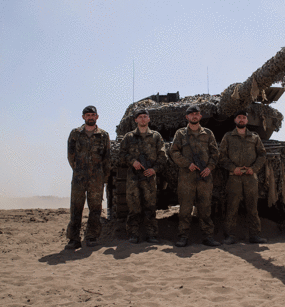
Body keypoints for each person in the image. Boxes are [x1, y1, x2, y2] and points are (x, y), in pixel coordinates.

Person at [169, 105, 220, 247]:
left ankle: (208, 237)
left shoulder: (208, 133)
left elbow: (215, 153)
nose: (194, 116)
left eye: (197, 114)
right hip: (187, 177)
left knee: (205, 209)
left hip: (205, 177)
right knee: (185, 209)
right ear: (187, 117)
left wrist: (210, 168)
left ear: (200, 116)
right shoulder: (180, 134)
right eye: (191, 114)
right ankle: (183, 236)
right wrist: (187, 164)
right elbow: (174, 152)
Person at [65, 105, 111, 250]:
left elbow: (107, 158)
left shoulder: (103, 135)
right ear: (83, 117)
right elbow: (70, 155)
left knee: (95, 208)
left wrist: (103, 176)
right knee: (76, 208)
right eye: (87, 115)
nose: (90, 117)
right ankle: (74, 239)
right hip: (79, 177)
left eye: (93, 115)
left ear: (97, 117)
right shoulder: (75, 134)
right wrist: (79, 169)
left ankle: (91, 237)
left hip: (96, 178)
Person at [218, 110, 267, 244]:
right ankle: (230, 235)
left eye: (244, 118)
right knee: (232, 207)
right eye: (239, 117)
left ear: (247, 120)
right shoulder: (228, 137)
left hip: (250, 177)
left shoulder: (254, 137)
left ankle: (255, 235)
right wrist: (233, 168)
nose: (241, 120)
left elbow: (262, 155)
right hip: (234, 176)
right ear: (235, 120)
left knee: (252, 207)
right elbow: (221, 157)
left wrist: (254, 169)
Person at [119, 108, 167, 244]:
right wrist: (132, 161)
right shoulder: (129, 137)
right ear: (135, 120)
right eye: (140, 117)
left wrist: (154, 170)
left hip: (149, 178)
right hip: (133, 178)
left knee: (150, 207)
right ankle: (133, 234)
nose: (143, 119)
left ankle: (152, 234)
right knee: (134, 208)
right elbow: (121, 155)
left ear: (149, 119)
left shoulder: (156, 136)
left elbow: (163, 156)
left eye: (145, 116)